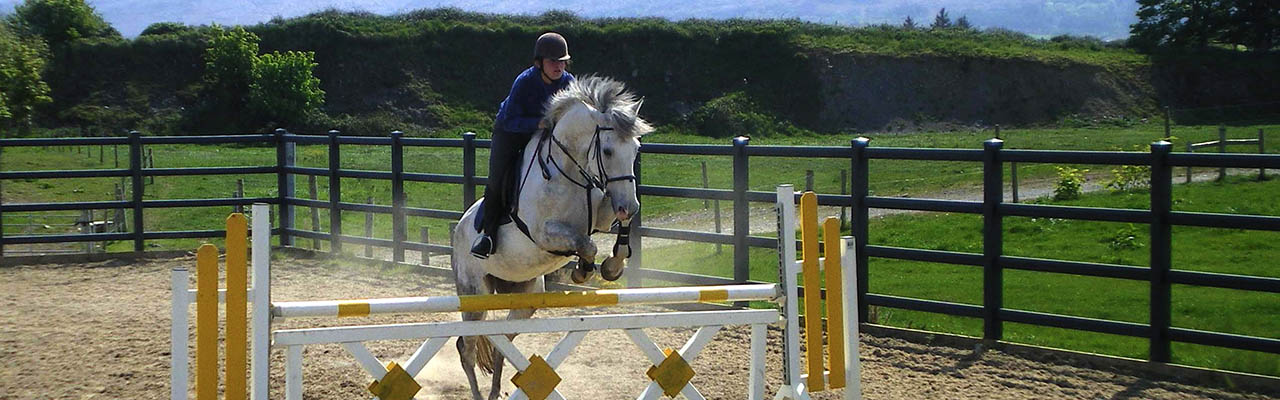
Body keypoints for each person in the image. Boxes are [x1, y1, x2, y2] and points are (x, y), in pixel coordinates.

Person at [471, 32, 576, 258]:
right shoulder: (525, 82)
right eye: (552, 61)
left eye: (562, 61)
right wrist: (537, 123)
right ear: (539, 63)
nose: (558, 66)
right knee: (497, 179)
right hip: (510, 133)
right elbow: (510, 120)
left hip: (545, 135)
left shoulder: (569, 82)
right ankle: (487, 236)